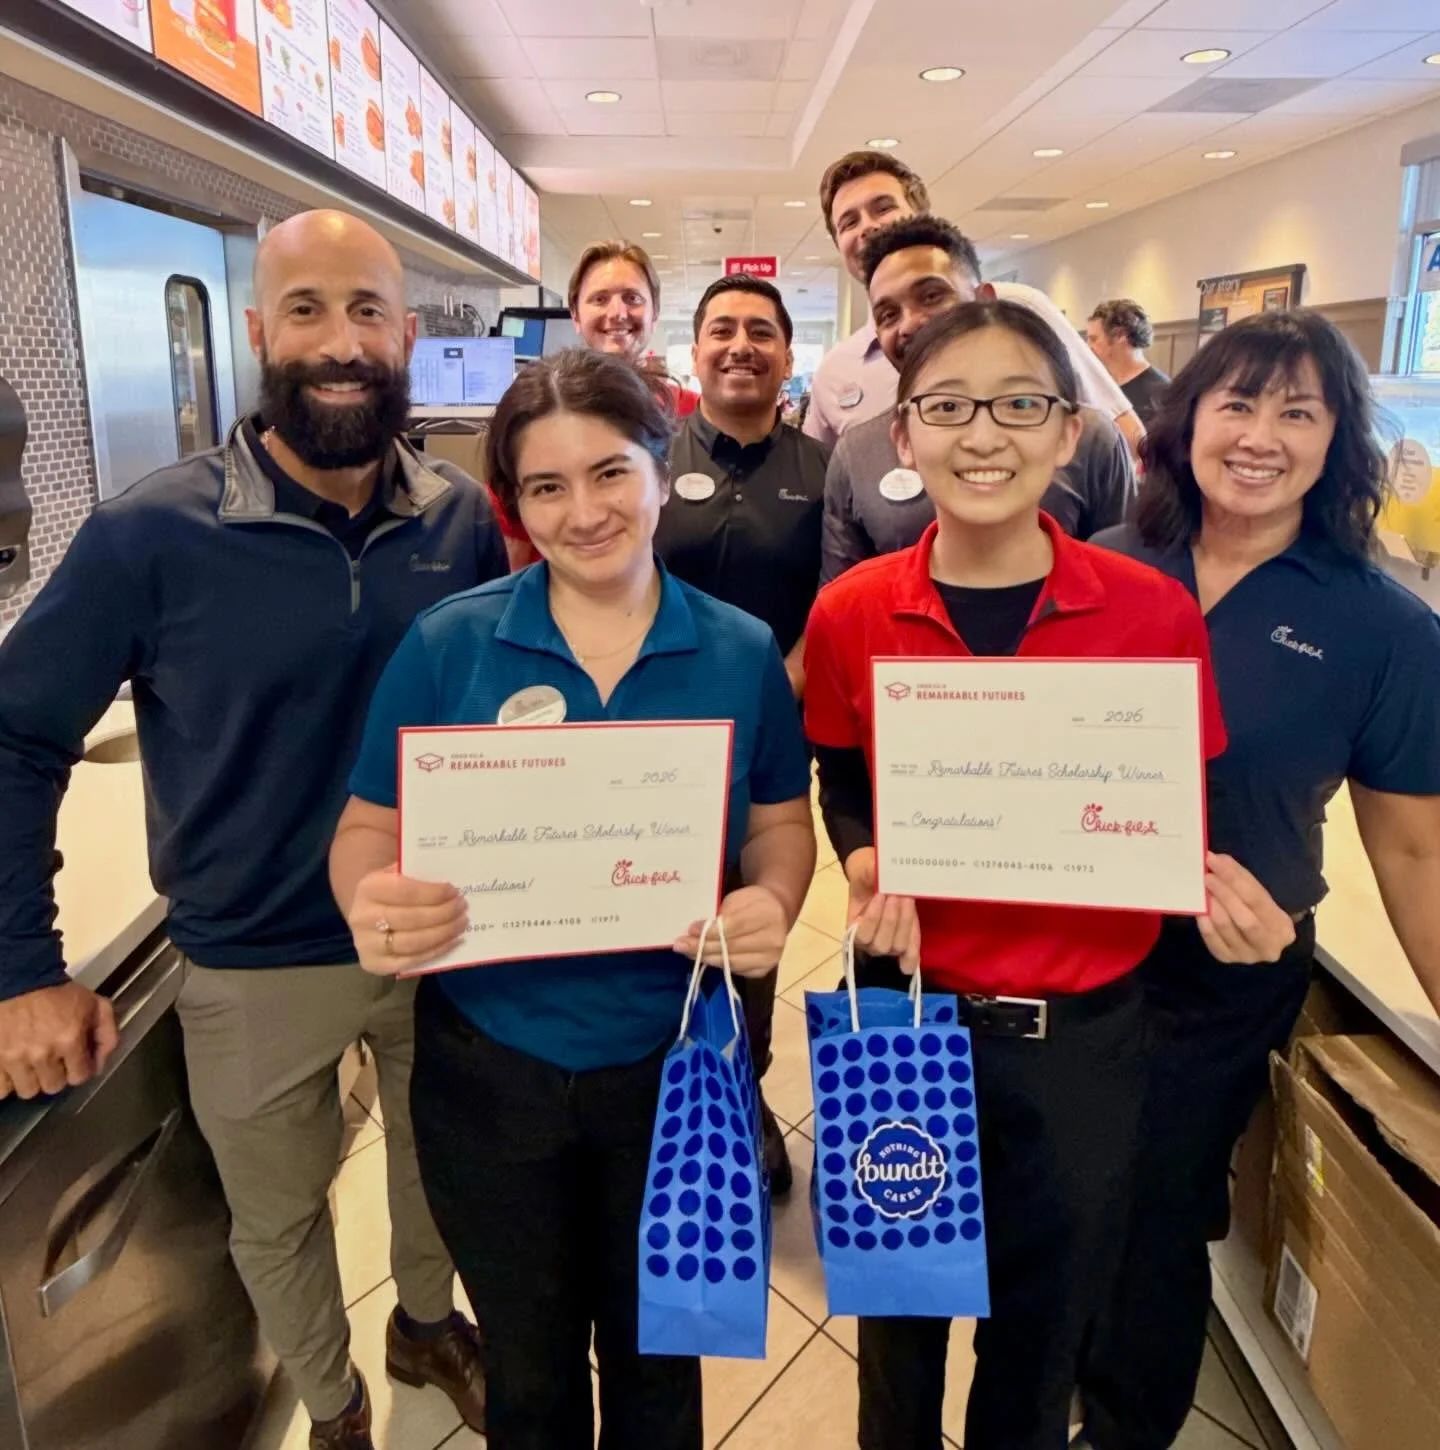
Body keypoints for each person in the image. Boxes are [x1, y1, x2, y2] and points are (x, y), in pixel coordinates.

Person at [0, 210, 496, 1450]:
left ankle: (426, 1324)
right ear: (260, 330)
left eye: (368, 311)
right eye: (311, 310)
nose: (342, 341)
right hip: (254, 955)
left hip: (439, 934)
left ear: (410, 334)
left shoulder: (460, 520)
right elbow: (14, 740)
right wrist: (18, 970)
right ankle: (333, 1407)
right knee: (276, 1214)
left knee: (444, 1174)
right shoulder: (146, 535)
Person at [329, 347, 816, 1450]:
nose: (583, 511)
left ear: (659, 466)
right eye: (546, 486)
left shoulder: (738, 651)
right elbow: (368, 825)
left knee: (658, 1363)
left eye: (609, 474)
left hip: (674, 1072)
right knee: (531, 1366)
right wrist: (372, 895)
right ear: (514, 501)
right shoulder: (452, 643)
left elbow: (779, 824)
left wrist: (775, 897)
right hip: (489, 1070)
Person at [802, 299, 1229, 1450]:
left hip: (1085, 1034)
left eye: (1018, 406)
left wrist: (1202, 868)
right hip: (906, 1018)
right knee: (899, 1325)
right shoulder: (851, 613)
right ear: (904, 438)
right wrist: (860, 853)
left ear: (1067, 433)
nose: (981, 434)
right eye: (946, 407)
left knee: (1040, 1337)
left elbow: (1177, 796)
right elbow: (840, 772)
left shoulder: (1150, 612)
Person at [1076, 309, 1440, 1450]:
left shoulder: (1382, 625)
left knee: (1160, 1214)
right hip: (1068, 953)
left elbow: (1415, 848)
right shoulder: (1104, 566)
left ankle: (1127, 1427)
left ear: (1339, 441)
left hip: (1223, 977)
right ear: (1188, 422)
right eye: (1237, 403)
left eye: (1299, 410)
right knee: (1063, 1197)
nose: (1261, 435)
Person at [654, 274, 829, 1194]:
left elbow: (832, 601)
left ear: (787, 357)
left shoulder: (821, 473)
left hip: (768, 733)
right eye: (721, 329)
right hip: (652, 738)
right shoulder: (648, 456)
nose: (740, 345)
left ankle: (742, 1093)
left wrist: (765, 688)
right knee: (658, 912)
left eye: (761, 331)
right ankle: (664, 1093)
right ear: (695, 352)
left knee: (751, 913)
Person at [821, 216, 1133, 582]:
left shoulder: (1090, 438)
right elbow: (841, 599)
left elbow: (1121, 579)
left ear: (984, 298)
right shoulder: (858, 452)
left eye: (932, 296)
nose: (910, 324)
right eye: (889, 314)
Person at [805, 149, 1144, 457]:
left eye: (883, 207)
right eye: (849, 222)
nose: (868, 226)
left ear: (920, 214)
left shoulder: (1022, 310)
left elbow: (1121, 434)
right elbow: (828, 487)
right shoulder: (836, 373)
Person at [494, 240, 700, 571]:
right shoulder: (535, 412)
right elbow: (514, 549)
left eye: (632, 298)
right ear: (575, 314)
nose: (617, 313)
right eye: (599, 299)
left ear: (655, 313)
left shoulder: (691, 412)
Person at [1086, 299, 1171, 427]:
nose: (1088, 346)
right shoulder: (1099, 384)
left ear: (1120, 335)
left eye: (1094, 339)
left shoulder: (1160, 394)